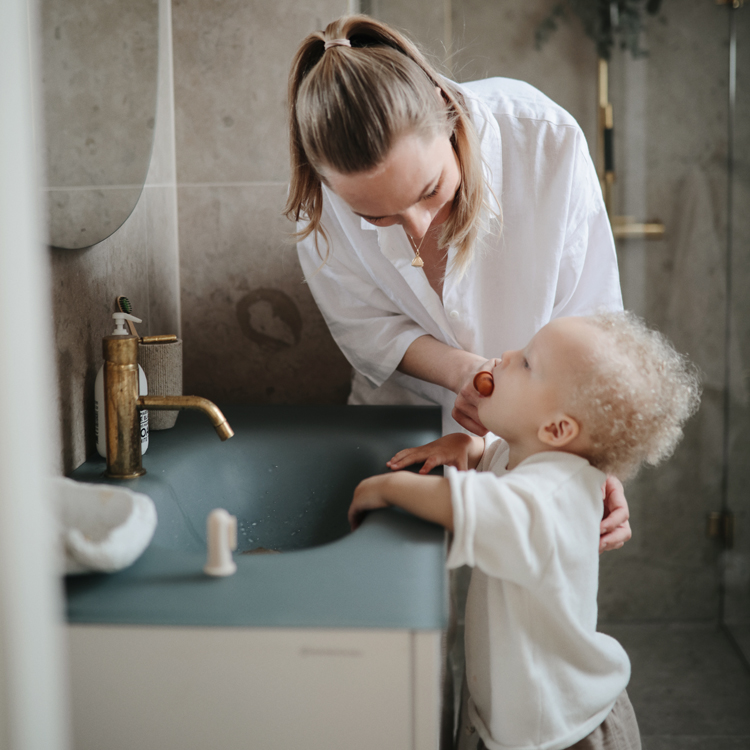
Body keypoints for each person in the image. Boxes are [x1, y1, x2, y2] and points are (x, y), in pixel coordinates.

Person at [285, 14, 631, 551]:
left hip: (540, 442)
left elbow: (594, 325)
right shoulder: (321, 204)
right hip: (399, 430)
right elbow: (365, 326)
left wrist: (591, 456)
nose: (418, 229)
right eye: (376, 217)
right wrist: (461, 373)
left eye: (430, 190)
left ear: (448, 117)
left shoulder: (544, 142)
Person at [348, 311, 702, 750]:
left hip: (561, 733)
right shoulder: (534, 456)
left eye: (528, 363)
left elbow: (475, 505)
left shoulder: (551, 498)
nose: (507, 355)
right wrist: (469, 445)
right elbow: (498, 457)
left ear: (556, 428)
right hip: (523, 713)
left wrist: (387, 487)